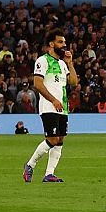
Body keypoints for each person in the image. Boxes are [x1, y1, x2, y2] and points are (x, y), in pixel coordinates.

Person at [24, 30, 78, 183]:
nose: (64, 45)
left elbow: (73, 82)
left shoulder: (62, 63)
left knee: (60, 140)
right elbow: (38, 84)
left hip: (62, 107)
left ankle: (49, 174)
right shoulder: (43, 60)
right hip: (49, 106)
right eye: (60, 42)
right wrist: (53, 100)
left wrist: (70, 63)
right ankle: (30, 164)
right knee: (52, 139)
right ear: (51, 44)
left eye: (64, 42)